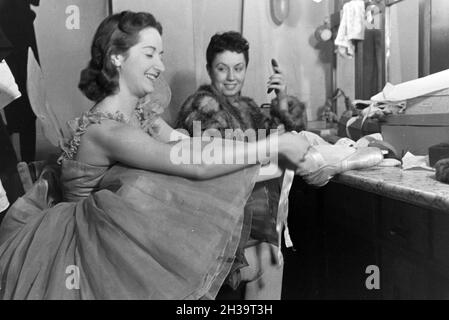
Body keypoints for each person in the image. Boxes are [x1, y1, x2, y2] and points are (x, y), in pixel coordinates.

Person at [0, 11, 312, 300]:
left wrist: (274, 141)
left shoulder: (141, 114)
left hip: (119, 244)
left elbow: (189, 146)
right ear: (117, 57)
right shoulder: (104, 130)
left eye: (160, 56)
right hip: (91, 253)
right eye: (149, 54)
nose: (161, 66)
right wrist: (275, 147)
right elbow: (195, 165)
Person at [176, 31, 308, 299]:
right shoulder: (203, 105)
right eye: (222, 69)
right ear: (209, 69)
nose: (231, 77)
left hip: (245, 212)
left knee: (275, 253)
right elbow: (216, 159)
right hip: (216, 219)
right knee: (272, 257)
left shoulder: (246, 106)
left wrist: (283, 99)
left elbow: (287, 135)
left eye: (238, 68)